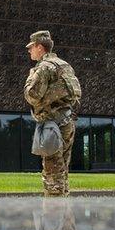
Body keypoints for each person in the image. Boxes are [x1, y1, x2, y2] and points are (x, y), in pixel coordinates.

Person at [24, 30, 81, 196]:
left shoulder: (43, 68)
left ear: (40, 48)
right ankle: (65, 216)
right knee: (62, 170)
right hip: (67, 121)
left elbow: (32, 96)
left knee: (52, 173)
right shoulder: (64, 65)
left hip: (51, 125)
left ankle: (53, 213)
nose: (29, 51)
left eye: (31, 47)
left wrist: (29, 79)